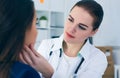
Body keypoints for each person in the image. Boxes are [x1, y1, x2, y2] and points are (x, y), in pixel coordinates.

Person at [20, 0, 108, 78]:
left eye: (81, 27)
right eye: (70, 19)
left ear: (93, 32)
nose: (71, 29)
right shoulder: (46, 45)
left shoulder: (97, 58)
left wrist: (50, 73)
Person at [0, 0, 41, 78]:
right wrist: (50, 73)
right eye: (35, 23)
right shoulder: (26, 73)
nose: (37, 32)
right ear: (22, 30)